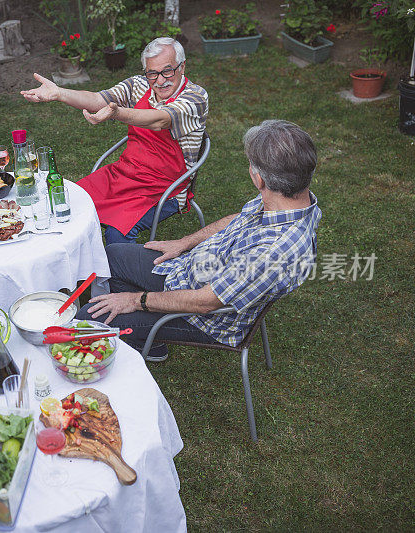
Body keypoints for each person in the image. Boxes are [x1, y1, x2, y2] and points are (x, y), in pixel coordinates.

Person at [77, 120, 322, 358]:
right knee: (113, 255)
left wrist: (135, 301)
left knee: (88, 318)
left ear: (259, 179)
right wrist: (184, 243)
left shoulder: (273, 252)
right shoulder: (290, 199)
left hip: (204, 319)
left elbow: (206, 302)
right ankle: (149, 345)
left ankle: (143, 340)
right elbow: (239, 218)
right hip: (188, 271)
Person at [21, 37, 208, 245]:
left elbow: (159, 120)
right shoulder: (138, 84)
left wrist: (116, 113)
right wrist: (59, 93)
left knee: (116, 235)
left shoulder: (196, 98)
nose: (160, 80)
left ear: (182, 67)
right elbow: (97, 100)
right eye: (152, 73)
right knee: (67, 202)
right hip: (124, 174)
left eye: (167, 71)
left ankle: (122, 275)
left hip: (166, 189)